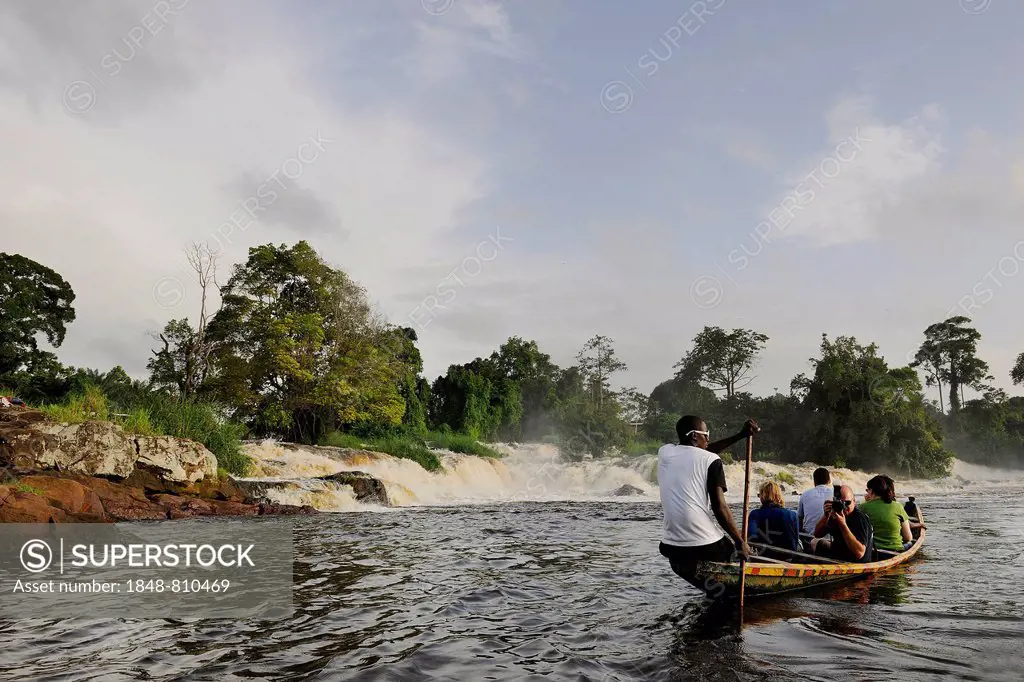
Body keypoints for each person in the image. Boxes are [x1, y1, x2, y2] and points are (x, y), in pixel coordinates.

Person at [658, 415, 760, 578]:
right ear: (694, 436)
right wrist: (740, 542)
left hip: (669, 546)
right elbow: (719, 507)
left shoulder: (665, 452)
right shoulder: (712, 460)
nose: (708, 438)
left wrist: (740, 436)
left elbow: (700, 453)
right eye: (706, 434)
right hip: (702, 546)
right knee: (731, 549)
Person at [810, 484, 874, 563]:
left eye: (847, 503)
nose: (844, 507)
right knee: (814, 542)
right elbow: (817, 534)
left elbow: (859, 553)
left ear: (854, 501)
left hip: (856, 563)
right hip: (839, 556)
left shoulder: (859, 518)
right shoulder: (835, 514)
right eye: (841, 503)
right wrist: (826, 516)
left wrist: (843, 524)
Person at [860, 475, 914, 553]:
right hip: (895, 551)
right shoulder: (898, 506)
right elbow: (908, 538)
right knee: (910, 543)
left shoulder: (862, 507)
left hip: (872, 552)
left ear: (871, 491)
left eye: (867, 490)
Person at [747, 480, 800, 556]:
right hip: (787, 556)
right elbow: (794, 542)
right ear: (779, 495)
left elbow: (752, 538)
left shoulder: (755, 514)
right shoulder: (792, 514)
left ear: (763, 496)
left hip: (763, 556)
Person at [797, 467, 833, 536]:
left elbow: (799, 518)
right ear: (829, 480)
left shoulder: (805, 494)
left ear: (814, 481)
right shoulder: (835, 494)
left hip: (809, 537)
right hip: (830, 538)